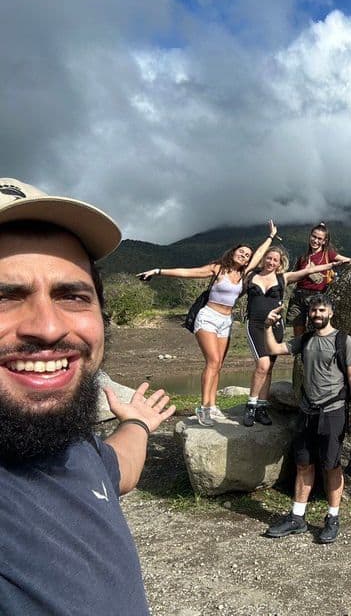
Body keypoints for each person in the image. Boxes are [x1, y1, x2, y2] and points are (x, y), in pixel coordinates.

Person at [0, 178, 175, 614]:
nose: (48, 327)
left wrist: (135, 423)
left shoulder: (74, 447)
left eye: (72, 296)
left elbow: (116, 470)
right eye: (4, 297)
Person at [136, 221, 277, 425]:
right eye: (241, 252)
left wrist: (271, 236)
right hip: (208, 316)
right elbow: (187, 272)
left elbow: (258, 256)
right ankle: (203, 408)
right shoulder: (217, 269)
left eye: (247, 255)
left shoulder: (244, 275)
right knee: (212, 361)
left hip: (226, 320)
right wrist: (158, 271)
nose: (244, 256)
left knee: (218, 364)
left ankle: (212, 405)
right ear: (233, 252)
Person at [262, 293, 351, 544]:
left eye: (321, 311)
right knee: (303, 464)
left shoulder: (343, 340)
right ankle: (297, 517)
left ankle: (332, 518)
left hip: (333, 409)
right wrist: (266, 327)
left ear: (331, 313)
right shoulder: (304, 339)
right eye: (313, 311)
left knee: (331, 465)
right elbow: (273, 348)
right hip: (307, 410)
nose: (317, 315)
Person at [242, 246, 348, 427]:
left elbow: (309, 270)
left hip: (275, 326)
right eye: (269, 258)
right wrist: (269, 238)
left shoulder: (282, 278)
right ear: (264, 259)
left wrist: (333, 263)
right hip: (255, 325)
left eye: (275, 260)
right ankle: (250, 406)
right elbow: (253, 260)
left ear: (279, 263)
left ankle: (261, 407)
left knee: (269, 368)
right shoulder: (251, 275)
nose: (271, 262)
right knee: (263, 364)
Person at [285, 223, 351, 338]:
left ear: (325, 241)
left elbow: (349, 261)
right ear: (310, 236)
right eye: (314, 237)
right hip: (298, 296)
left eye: (319, 238)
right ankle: (299, 354)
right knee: (298, 328)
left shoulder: (328, 254)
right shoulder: (303, 257)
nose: (315, 240)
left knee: (316, 329)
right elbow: (294, 277)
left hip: (316, 296)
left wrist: (337, 266)